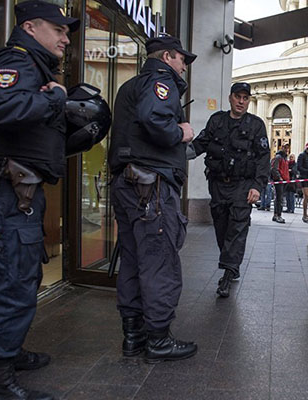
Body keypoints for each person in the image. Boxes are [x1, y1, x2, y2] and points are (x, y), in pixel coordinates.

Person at [0, 2, 79, 398]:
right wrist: (56, 100)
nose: (66, 39)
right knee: (13, 285)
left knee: (23, 279)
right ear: (31, 27)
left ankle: (10, 352)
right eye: (59, 30)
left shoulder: (33, 66)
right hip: (8, 194)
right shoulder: (16, 62)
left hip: (20, 194)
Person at [108, 35, 197, 364]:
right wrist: (181, 133)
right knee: (159, 261)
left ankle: (133, 336)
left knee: (132, 260)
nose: (185, 65)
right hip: (151, 188)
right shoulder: (162, 81)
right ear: (169, 56)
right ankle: (158, 338)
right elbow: (155, 120)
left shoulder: (129, 87)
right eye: (182, 59)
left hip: (128, 184)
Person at [192, 82, 270, 298]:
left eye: (245, 98)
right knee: (221, 227)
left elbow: (264, 158)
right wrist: (176, 152)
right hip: (218, 184)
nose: (241, 102)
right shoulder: (217, 120)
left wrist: (257, 186)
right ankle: (231, 263)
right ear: (230, 98)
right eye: (238, 97)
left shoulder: (256, 125)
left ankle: (227, 274)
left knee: (237, 228)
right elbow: (201, 143)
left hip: (242, 186)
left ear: (249, 101)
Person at [271, 143, 290, 223]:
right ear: (281, 148)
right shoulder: (279, 157)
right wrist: (279, 177)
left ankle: (276, 215)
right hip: (280, 181)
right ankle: (278, 215)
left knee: (279, 198)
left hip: (284, 180)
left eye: (287, 148)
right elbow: (274, 168)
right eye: (285, 147)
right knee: (279, 199)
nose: (286, 149)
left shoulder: (285, 158)